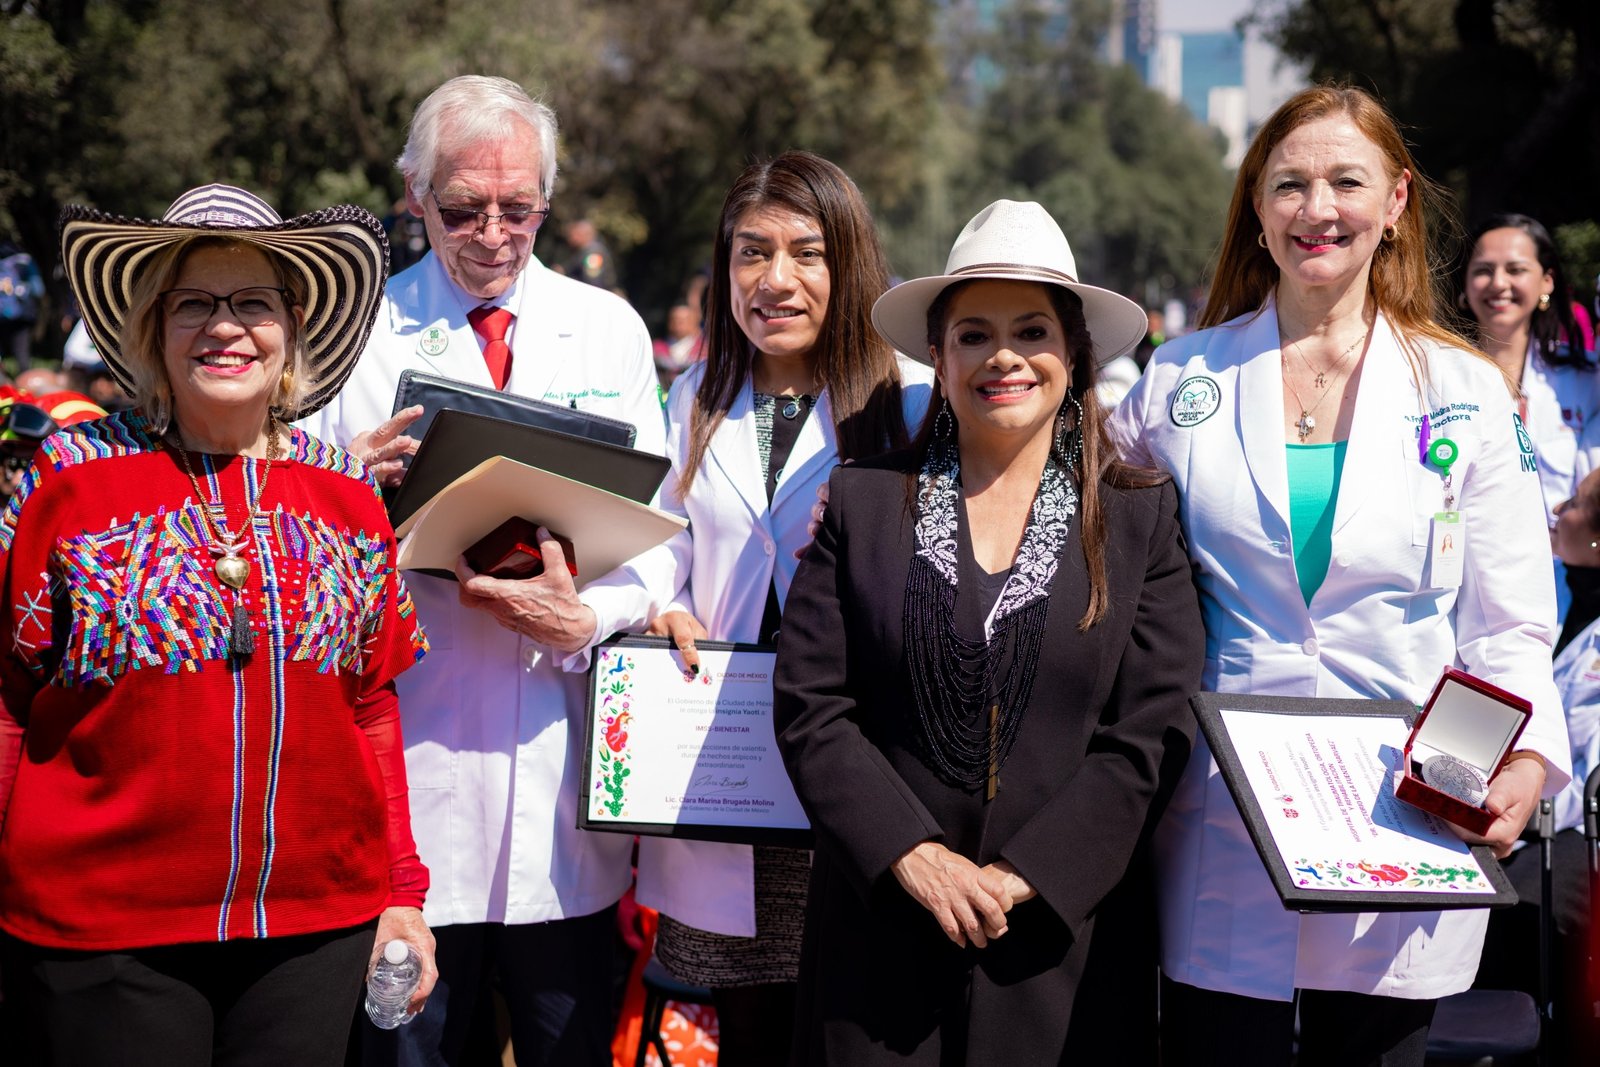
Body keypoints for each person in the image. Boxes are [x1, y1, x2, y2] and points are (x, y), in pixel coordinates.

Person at [1107, 85, 1573, 1066]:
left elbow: (1508, 623)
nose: (1316, 208)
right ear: (1256, 206)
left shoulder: (1464, 389)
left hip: (1404, 807)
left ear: (1395, 201)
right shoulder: (1181, 381)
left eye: (1345, 182)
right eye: (1289, 184)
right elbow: (1071, 510)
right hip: (1224, 814)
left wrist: (1518, 765)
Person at [0, 183, 434, 1066]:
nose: (225, 327)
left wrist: (402, 892)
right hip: (102, 931)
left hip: (314, 930)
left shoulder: (348, 495)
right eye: (193, 301)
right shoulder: (69, 478)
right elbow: (11, 697)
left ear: (293, 327)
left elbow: (371, 704)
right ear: (153, 327)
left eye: (253, 303)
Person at [772, 199, 1202, 1064]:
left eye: (1032, 331)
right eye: (974, 335)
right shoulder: (860, 501)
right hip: (882, 942)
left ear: (1073, 352)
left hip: (1065, 949)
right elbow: (813, 706)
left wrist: (1026, 874)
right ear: (938, 356)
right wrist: (911, 854)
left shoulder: (1139, 518)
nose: (1003, 356)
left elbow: (1152, 731)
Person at [299, 75, 666, 1066]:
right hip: (412, 789)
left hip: (561, 795)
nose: (495, 234)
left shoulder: (608, 328)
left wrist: (586, 619)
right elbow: (290, 538)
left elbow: (659, 544)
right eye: (464, 209)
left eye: (520, 208)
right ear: (414, 194)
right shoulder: (351, 336)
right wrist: (345, 483)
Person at [637, 151, 933, 1064]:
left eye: (806, 253)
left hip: (856, 770)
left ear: (849, 263)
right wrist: (663, 605)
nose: (775, 279)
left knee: (852, 1026)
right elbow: (662, 545)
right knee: (751, 1029)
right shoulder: (693, 398)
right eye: (751, 253)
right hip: (725, 769)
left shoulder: (911, 401)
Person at [1473, 466, 1600, 1064]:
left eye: (1574, 503)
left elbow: (1592, 770)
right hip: (1504, 799)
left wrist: (1523, 798)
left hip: (1570, 825)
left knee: (1515, 912)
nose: (1557, 510)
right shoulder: (1548, 589)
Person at [1458, 212, 1599, 626]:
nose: (1498, 283)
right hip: (1459, 588)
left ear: (1547, 281)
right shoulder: (1432, 376)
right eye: (1483, 270)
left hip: (1561, 599)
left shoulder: (1585, 381)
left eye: (1516, 269)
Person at [556, 218, 619, 292]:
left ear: (585, 234)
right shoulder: (583, 251)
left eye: (576, 234)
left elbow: (593, 282)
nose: (571, 237)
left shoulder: (593, 252)